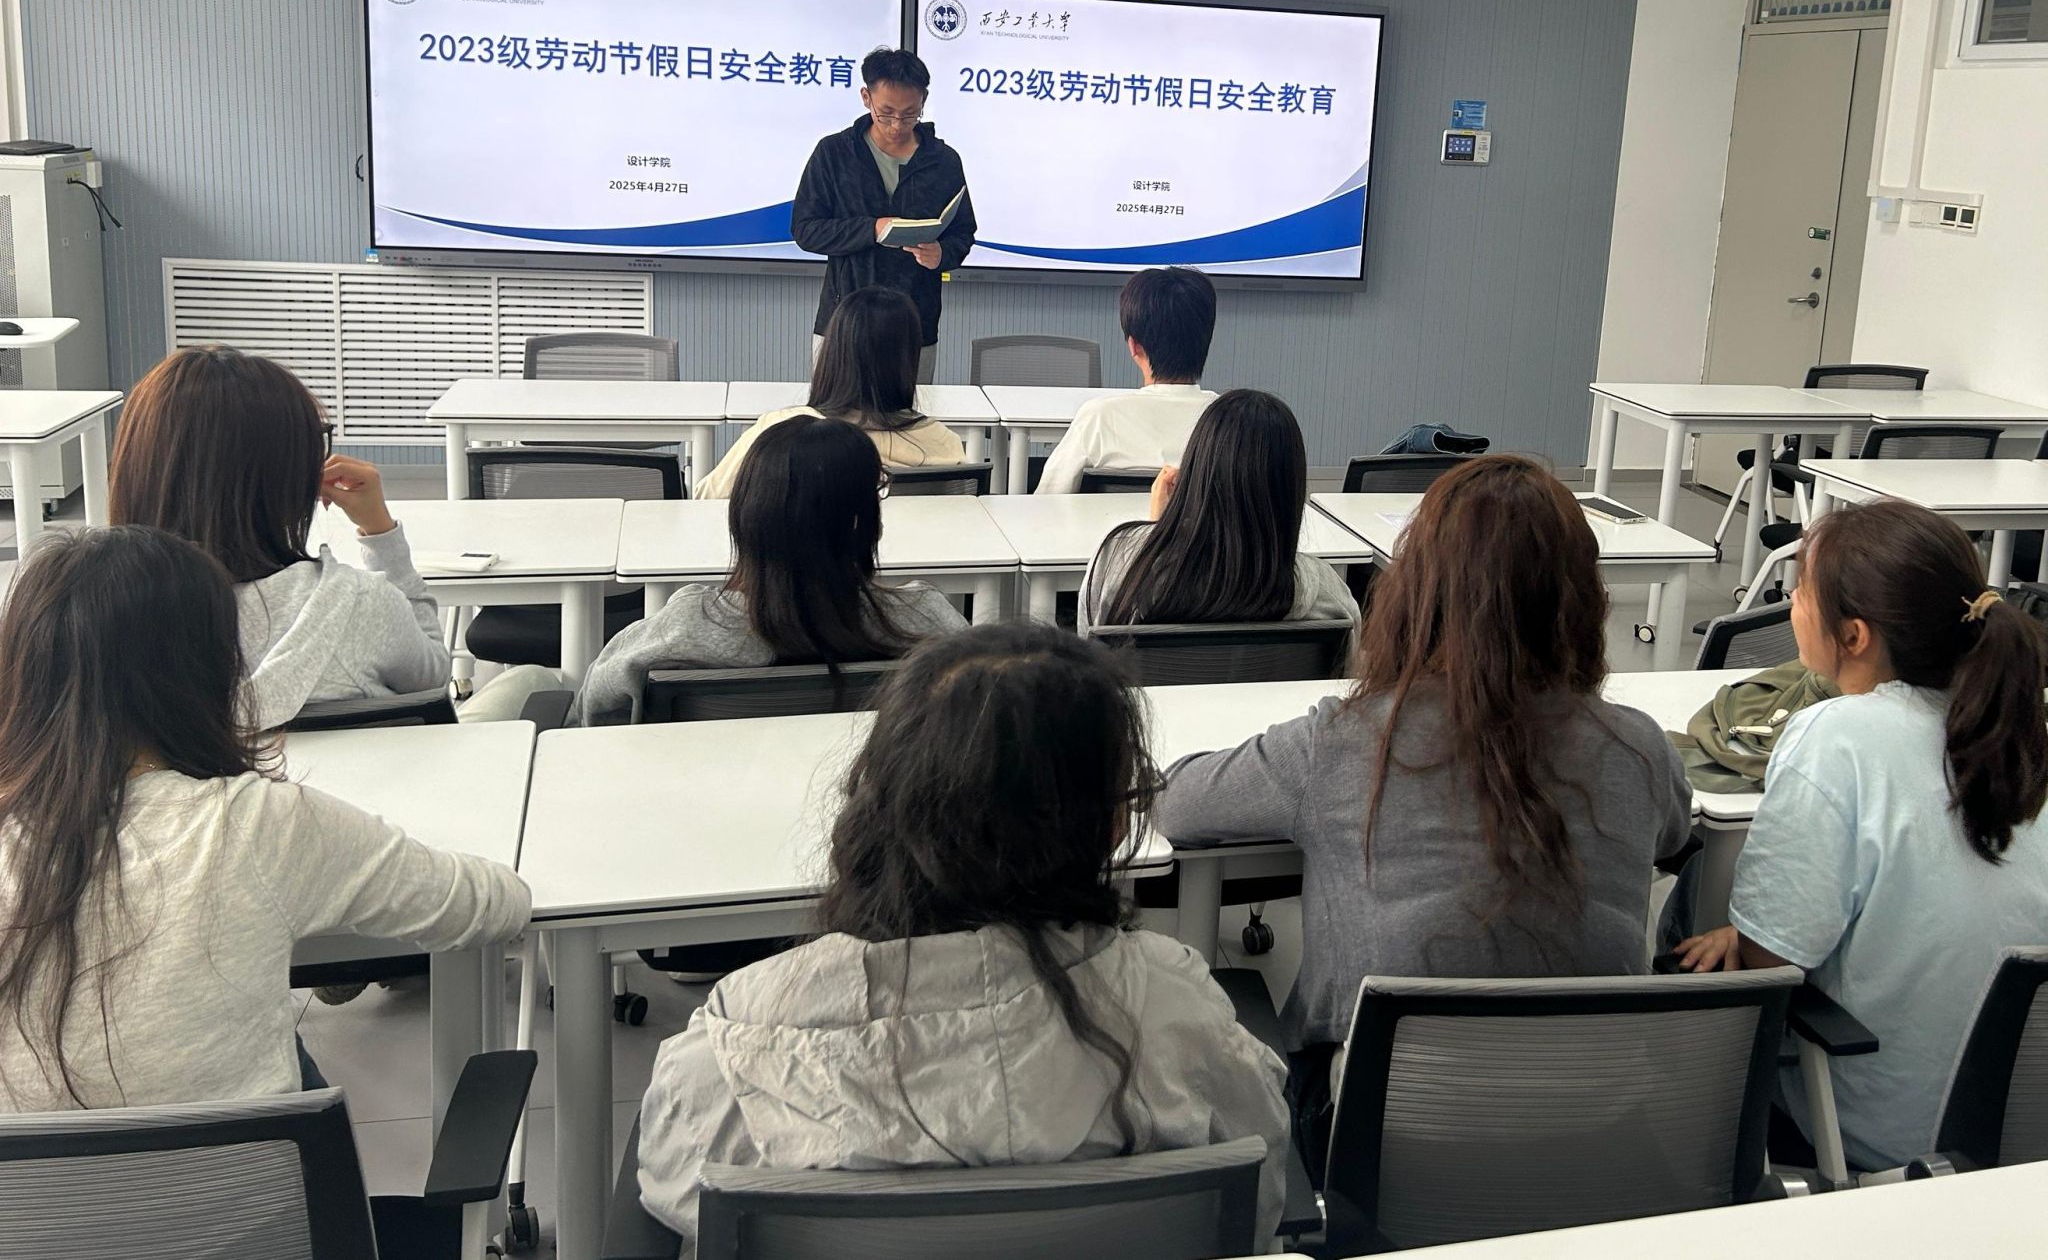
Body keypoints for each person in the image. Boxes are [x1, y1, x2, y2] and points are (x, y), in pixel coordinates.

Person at [634, 624, 1290, 1247]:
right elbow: (1257, 1202)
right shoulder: (1180, 1013)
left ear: (874, 800)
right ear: (1112, 826)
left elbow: (677, 1195)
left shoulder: (739, 1038)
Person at [1152, 455, 1691, 1156]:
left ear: (1417, 590)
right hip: (1603, 1140)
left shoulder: (1342, 741)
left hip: (1383, 1141)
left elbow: (1175, 804)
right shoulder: (1640, 747)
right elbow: (1672, 836)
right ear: (1583, 599)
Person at [0, 526, 529, 1111]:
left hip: (34, 1176)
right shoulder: (259, 825)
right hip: (248, 1176)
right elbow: (491, 907)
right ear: (210, 668)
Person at [1674, 500, 2048, 1172]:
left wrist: (1747, 931)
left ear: (1853, 636)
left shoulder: (1837, 738)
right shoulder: (2020, 727)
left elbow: (1771, 962)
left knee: (1693, 901)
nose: (1791, 602)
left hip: (1886, 1136)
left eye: (1801, 589)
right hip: (2025, 1132)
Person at [108, 344, 449, 732]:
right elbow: (432, 679)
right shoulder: (359, 604)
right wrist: (381, 532)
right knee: (513, 688)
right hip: (369, 771)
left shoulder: (89, 613)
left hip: (209, 774)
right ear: (288, 472)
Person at [572, 416, 966, 725]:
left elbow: (594, 713)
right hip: (865, 801)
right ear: (863, 522)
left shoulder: (682, 629)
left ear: (744, 517)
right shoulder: (928, 622)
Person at [1078, 388, 1357, 637]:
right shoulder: (1329, 596)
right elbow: (1347, 673)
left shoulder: (1118, 562)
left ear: (1195, 473)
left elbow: (1089, 660)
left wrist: (1158, 534)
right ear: (1292, 489)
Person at [793, 48, 975, 382]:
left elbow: (963, 233)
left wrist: (942, 254)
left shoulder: (944, 161)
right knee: (836, 413)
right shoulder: (835, 153)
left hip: (914, 321)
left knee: (908, 412)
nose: (897, 125)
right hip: (845, 319)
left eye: (910, 115)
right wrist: (871, 229)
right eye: (886, 113)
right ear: (866, 97)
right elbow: (806, 229)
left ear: (923, 101)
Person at [694, 287, 965, 500]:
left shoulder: (778, 431)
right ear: (909, 360)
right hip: (903, 556)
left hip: (799, 557)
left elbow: (707, 499)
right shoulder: (943, 443)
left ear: (833, 353)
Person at [1037, 267, 1219, 496]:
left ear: (1134, 346)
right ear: (1206, 340)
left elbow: (1047, 500)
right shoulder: (1233, 423)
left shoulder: (1100, 418)